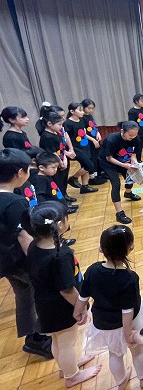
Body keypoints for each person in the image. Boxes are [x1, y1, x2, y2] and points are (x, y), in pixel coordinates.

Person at [26, 201, 102, 387]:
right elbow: (67, 289)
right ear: (60, 224)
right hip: (62, 307)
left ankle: (67, 367)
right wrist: (80, 307)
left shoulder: (34, 246)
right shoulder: (60, 255)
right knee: (67, 342)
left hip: (44, 304)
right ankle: (72, 376)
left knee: (57, 339)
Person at [75, 225, 143, 390]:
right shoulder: (129, 278)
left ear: (101, 249)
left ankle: (121, 382)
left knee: (114, 354)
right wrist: (128, 334)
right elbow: (127, 312)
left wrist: (77, 312)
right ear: (130, 248)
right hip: (128, 324)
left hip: (103, 323)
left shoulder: (92, 270)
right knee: (137, 350)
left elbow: (83, 296)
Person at [0, 148, 53, 359]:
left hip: (4, 262)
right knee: (39, 293)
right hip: (20, 260)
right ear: (20, 172)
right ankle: (40, 336)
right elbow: (24, 238)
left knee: (23, 295)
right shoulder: (16, 202)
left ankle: (32, 337)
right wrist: (41, 265)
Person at [99, 121, 143, 224]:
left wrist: (135, 163)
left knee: (130, 178)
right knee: (116, 184)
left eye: (135, 135)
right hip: (108, 163)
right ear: (122, 131)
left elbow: (133, 154)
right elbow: (109, 158)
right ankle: (119, 213)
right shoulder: (111, 140)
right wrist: (124, 165)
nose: (133, 137)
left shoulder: (136, 139)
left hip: (124, 160)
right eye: (130, 135)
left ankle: (128, 193)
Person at [38, 110, 77, 207]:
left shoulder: (56, 133)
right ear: (49, 124)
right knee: (58, 184)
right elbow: (52, 152)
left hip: (62, 160)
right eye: (59, 125)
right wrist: (60, 162)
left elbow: (62, 147)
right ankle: (63, 204)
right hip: (55, 164)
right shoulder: (46, 136)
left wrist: (65, 158)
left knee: (64, 181)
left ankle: (65, 197)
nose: (61, 127)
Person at [64, 103, 98, 195]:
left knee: (85, 165)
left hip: (85, 146)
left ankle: (85, 186)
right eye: (80, 110)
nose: (82, 112)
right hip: (76, 148)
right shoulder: (67, 123)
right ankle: (73, 178)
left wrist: (93, 140)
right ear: (72, 111)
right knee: (89, 165)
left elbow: (84, 133)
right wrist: (71, 149)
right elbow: (66, 137)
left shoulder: (81, 120)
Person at [30, 151, 79, 216]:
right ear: (41, 168)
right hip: (53, 209)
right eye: (53, 167)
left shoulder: (48, 175)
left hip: (58, 206)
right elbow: (41, 198)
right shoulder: (40, 180)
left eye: (56, 167)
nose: (55, 170)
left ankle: (65, 207)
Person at [81, 99, 107, 185]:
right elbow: (83, 133)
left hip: (95, 139)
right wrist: (93, 140)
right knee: (92, 159)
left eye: (92, 108)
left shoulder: (89, 116)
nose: (91, 110)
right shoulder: (82, 118)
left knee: (97, 157)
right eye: (89, 108)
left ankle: (98, 174)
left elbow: (94, 127)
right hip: (89, 142)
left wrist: (98, 133)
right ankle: (92, 177)